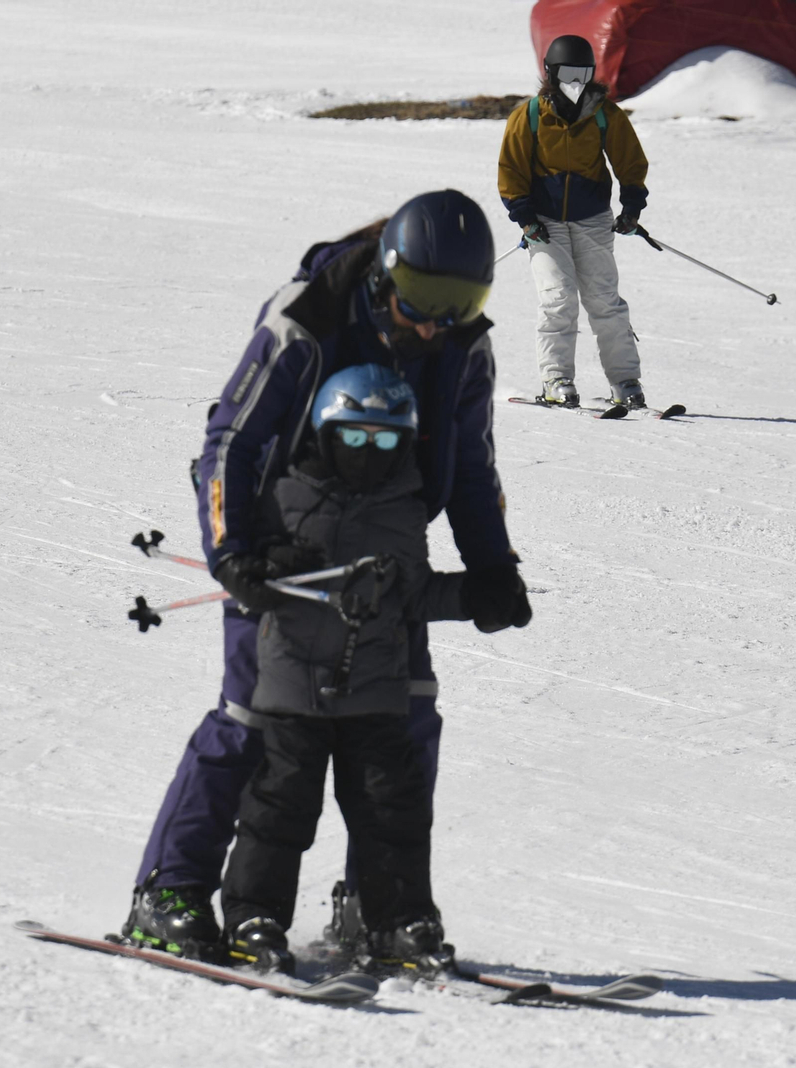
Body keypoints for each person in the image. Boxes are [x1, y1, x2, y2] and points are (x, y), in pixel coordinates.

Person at [122, 189, 533, 968]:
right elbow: (230, 443)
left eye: (460, 303)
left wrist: (493, 570)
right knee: (253, 718)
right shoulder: (306, 321)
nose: (433, 323)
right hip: (282, 546)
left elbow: (471, 467)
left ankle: (377, 903)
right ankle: (167, 893)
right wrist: (234, 554)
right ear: (387, 274)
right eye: (422, 300)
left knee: (405, 721)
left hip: (387, 544)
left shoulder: (463, 347)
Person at [218, 364, 482, 977]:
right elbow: (237, 544)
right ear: (325, 433)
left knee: (393, 811)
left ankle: (397, 923)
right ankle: (253, 919)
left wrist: (475, 598)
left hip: (374, 692)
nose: (369, 453)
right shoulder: (286, 491)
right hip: (294, 688)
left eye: (385, 441)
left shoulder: (402, 506)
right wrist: (264, 565)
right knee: (280, 808)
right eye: (355, 438)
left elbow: (412, 597)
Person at [497, 33, 652, 411]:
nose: (575, 82)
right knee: (558, 299)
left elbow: (630, 161)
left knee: (605, 302)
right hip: (544, 224)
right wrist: (525, 218)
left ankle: (625, 381)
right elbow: (511, 170)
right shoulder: (529, 115)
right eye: (567, 73)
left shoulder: (603, 114)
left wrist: (631, 206)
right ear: (550, 73)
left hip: (592, 220)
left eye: (582, 73)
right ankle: (557, 379)